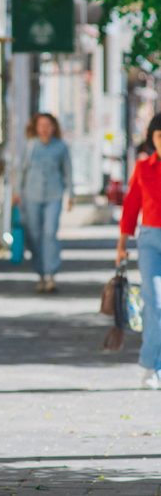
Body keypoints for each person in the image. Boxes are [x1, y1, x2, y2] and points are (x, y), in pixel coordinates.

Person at [116, 112, 161, 389]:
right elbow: (131, 207)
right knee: (154, 303)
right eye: (160, 136)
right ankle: (151, 365)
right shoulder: (144, 167)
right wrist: (121, 245)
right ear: (152, 138)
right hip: (150, 242)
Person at [13, 113, 74, 292]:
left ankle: (51, 273)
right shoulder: (30, 146)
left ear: (54, 127)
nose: (45, 129)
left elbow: (68, 171)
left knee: (50, 232)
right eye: (41, 125)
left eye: (48, 125)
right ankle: (40, 272)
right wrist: (17, 192)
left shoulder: (61, 147)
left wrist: (71, 194)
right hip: (31, 195)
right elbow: (22, 170)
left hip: (54, 195)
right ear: (36, 128)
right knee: (34, 235)